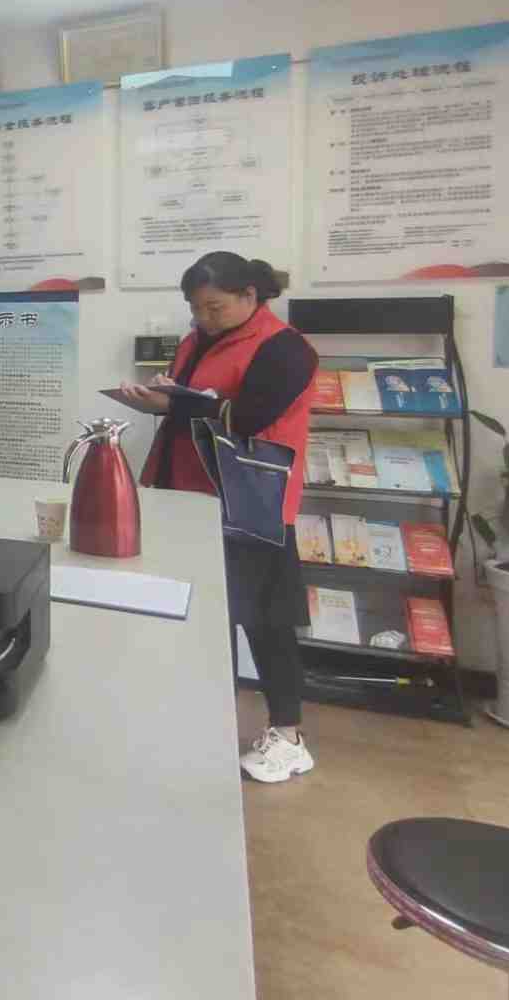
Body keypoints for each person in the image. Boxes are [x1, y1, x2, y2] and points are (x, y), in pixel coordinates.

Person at [126, 252, 318, 784]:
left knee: (265, 618)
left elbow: (249, 417)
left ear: (249, 296)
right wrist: (162, 396)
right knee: (202, 617)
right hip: (185, 494)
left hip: (252, 503)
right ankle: (207, 720)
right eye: (197, 308)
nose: (204, 318)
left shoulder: (285, 348)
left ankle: (288, 737)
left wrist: (175, 403)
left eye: (215, 307)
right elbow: (192, 405)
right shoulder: (196, 340)